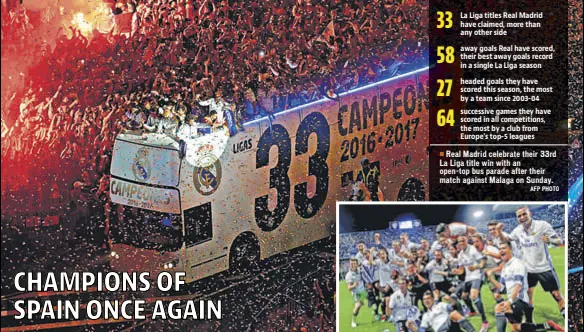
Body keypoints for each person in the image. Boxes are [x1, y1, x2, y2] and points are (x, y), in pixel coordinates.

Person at [496, 206, 565, 321]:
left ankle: (567, 320)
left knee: (556, 295)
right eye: (519, 216)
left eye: (524, 214)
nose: (522, 217)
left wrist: (550, 240)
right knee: (527, 296)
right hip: (528, 270)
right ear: (517, 219)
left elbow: (559, 241)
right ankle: (529, 321)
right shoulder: (517, 230)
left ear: (530, 213)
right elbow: (506, 240)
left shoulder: (542, 225)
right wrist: (499, 231)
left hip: (544, 268)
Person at [491, 241, 564, 332]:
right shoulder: (505, 267)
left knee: (498, 308)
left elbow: (518, 286)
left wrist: (509, 301)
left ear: (510, 249)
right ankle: (548, 326)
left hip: (520, 299)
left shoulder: (517, 264)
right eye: (500, 249)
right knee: (516, 327)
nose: (501, 250)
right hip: (513, 299)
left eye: (504, 248)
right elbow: (502, 287)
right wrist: (492, 281)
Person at [455, 235, 489, 332]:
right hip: (468, 278)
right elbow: (461, 270)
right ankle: (473, 311)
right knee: (464, 296)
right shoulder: (460, 255)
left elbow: (483, 261)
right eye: (459, 241)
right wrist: (455, 271)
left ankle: (485, 321)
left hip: (477, 276)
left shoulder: (473, 249)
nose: (461, 242)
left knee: (474, 296)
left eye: (463, 240)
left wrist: (476, 267)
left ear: (466, 241)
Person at [409, 291, 476, 332]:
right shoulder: (425, 316)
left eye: (428, 298)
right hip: (440, 330)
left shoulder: (440, 305)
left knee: (454, 314)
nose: (426, 301)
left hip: (450, 324)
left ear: (432, 299)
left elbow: (453, 307)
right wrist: (414, 328)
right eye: (424, 299)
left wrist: (450, 300)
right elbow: (422, 330)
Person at [346, 258, 364, 328]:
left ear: (357, 264)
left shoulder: (360, 270)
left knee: (359, 307)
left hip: (363, 292)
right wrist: (354, 285)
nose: (352, 265)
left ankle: (376, 312)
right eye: (351, 263)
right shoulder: (349, 275)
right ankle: (353, 321)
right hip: (356, 293)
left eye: (354, 263)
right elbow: (349, 288)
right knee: (358, 306)